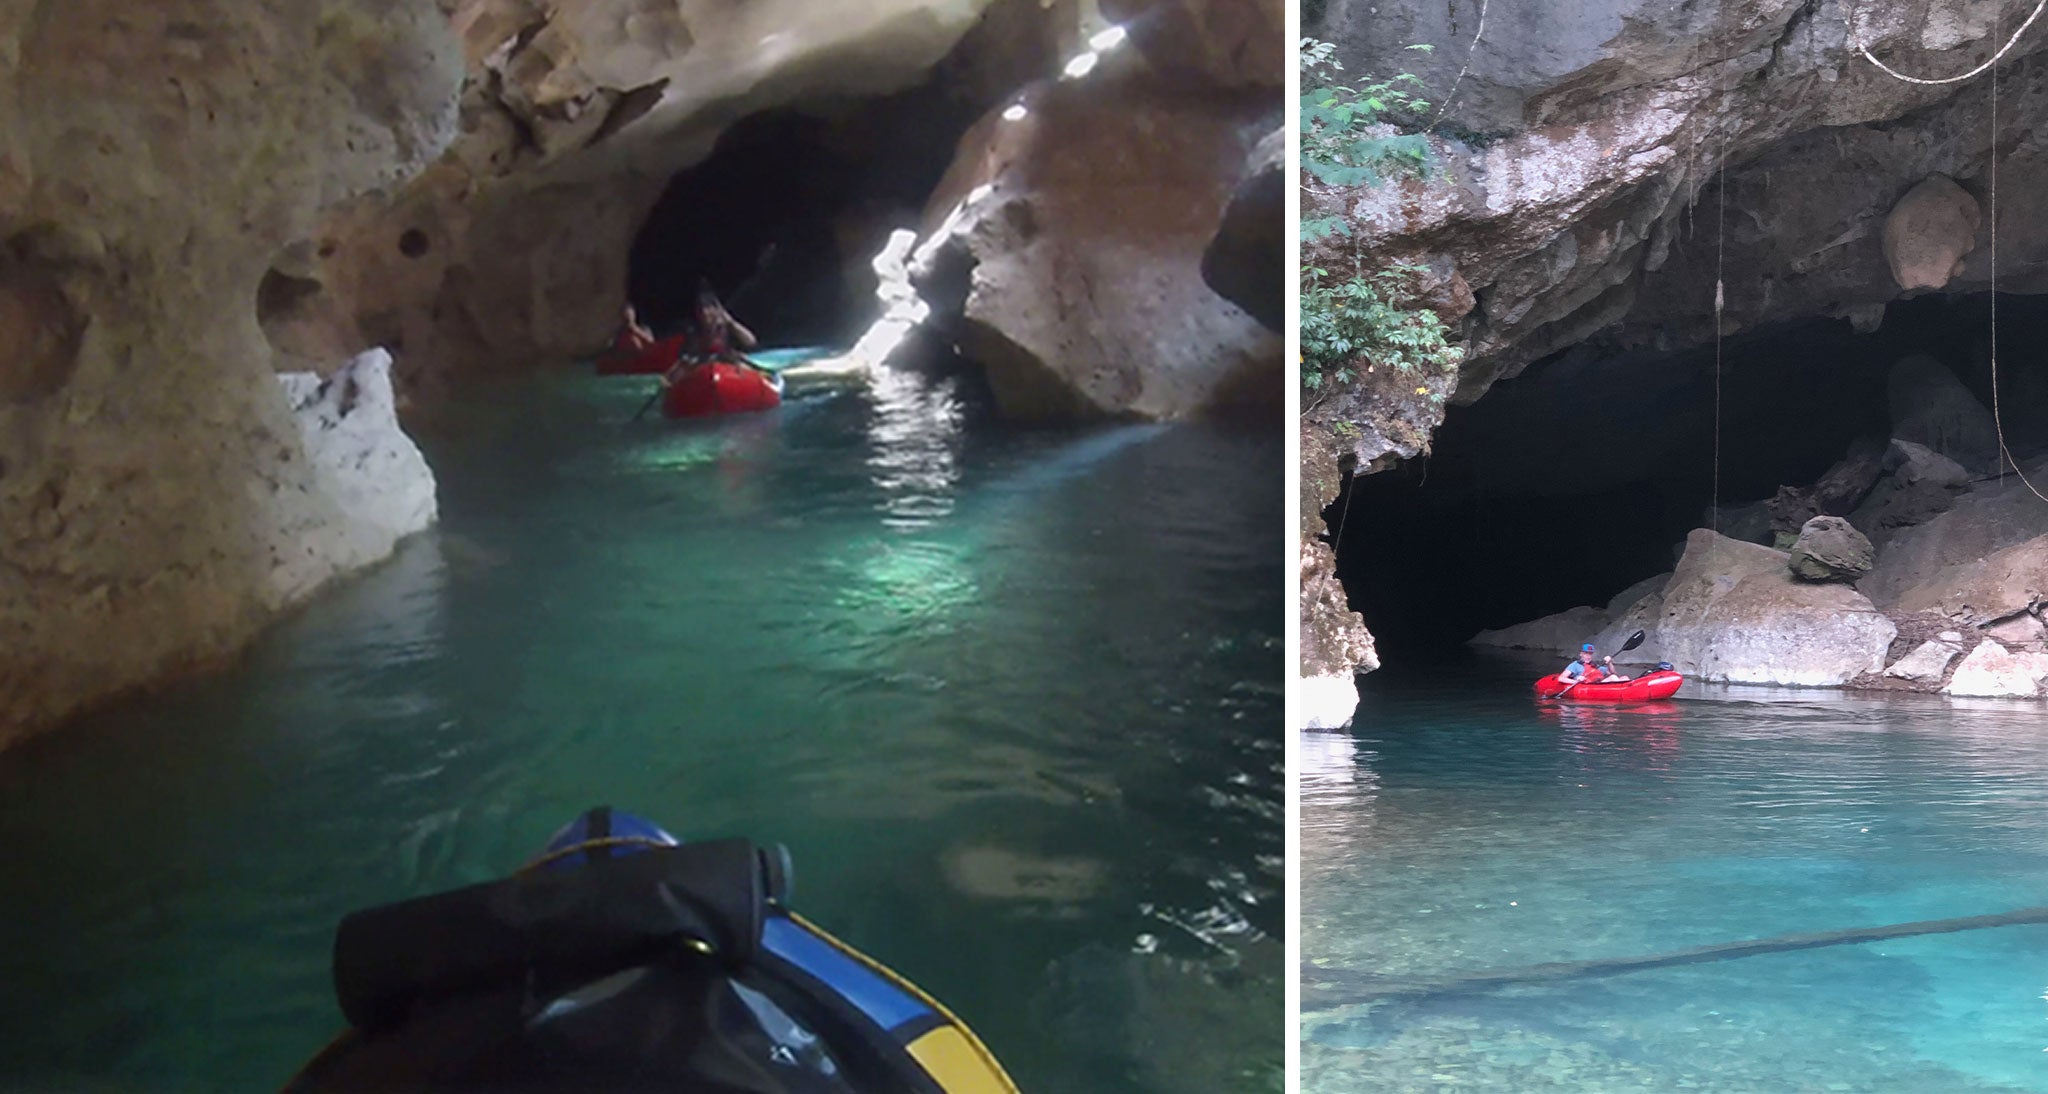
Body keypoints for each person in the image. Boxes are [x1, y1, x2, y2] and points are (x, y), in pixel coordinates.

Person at [1560, 643, 1630, 684]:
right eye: (1586, 653)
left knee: (1625, 677)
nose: (1588, 656)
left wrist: (1609, 663)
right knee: (1613, 678)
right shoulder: (1575, 665)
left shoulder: (1595, 665)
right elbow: (1561, 678)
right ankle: (1624, 692)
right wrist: (1575, 680)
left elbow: (1613, 673)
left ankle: (1627, 691)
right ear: (1581, 654)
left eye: (1590, 654)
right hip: (1589, 686)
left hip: (1599, 684)